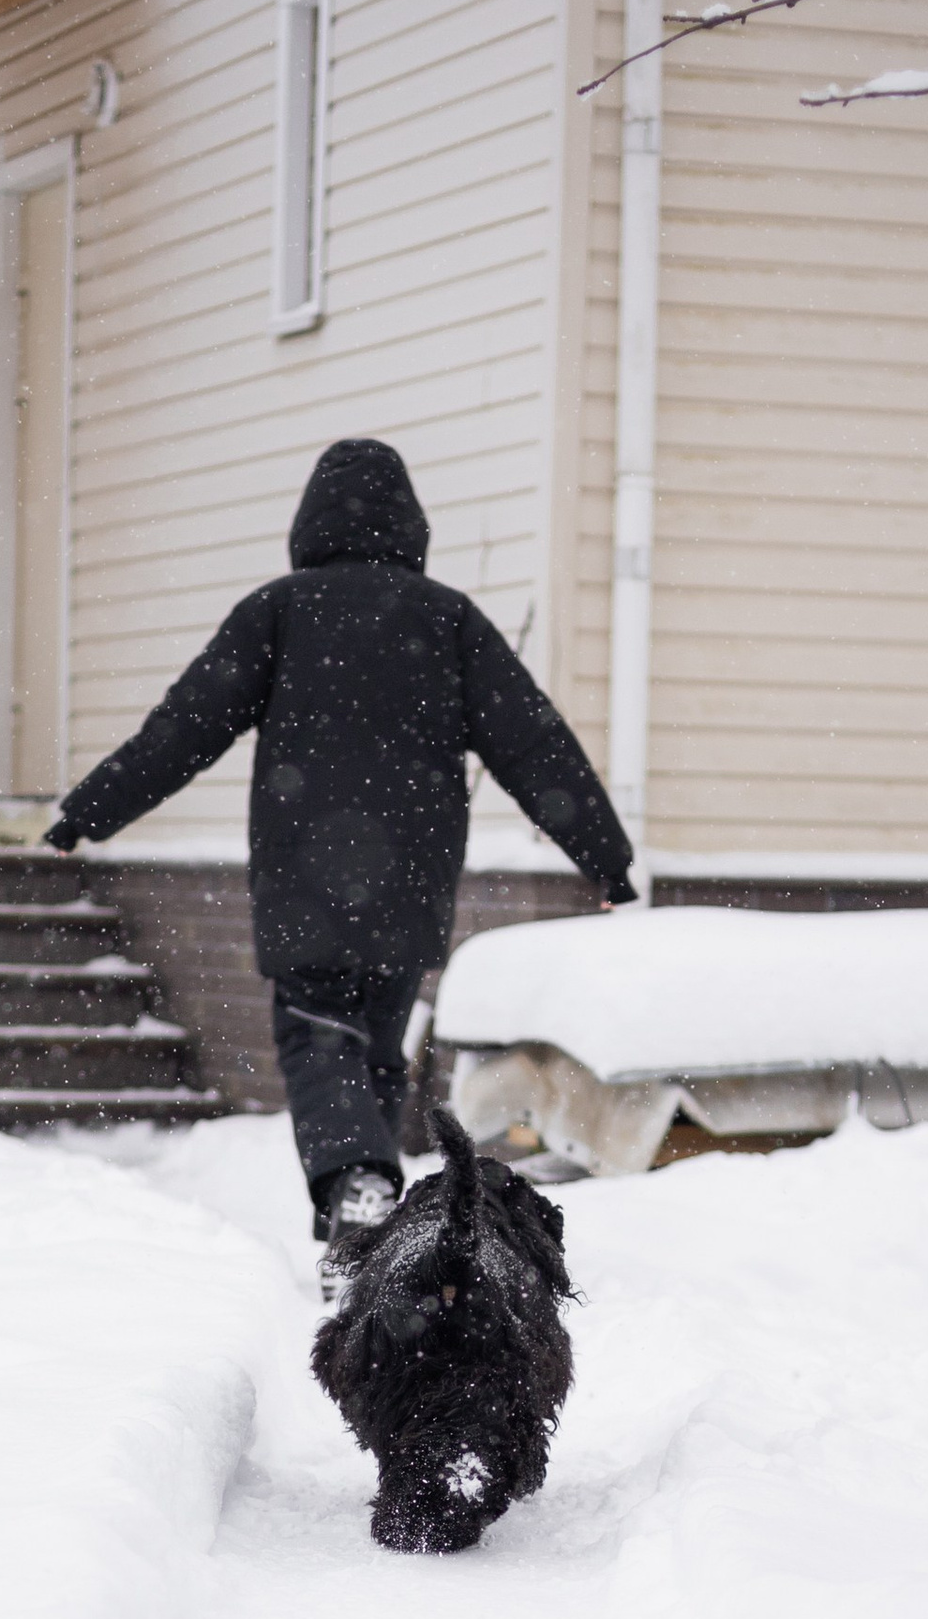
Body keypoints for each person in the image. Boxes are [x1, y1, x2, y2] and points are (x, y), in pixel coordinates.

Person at [43, 439, 636, 1242]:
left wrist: (89, 811)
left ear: (310, 521)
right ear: (410, 523)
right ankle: (360, 1231)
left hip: (306, 869)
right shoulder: (448, 619)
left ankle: (357, 1183)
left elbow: (182, 729)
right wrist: (603, 853)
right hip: (410, 872)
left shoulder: (280, 611)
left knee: (318, 1034)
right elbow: (535, 745)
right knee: (378, 1046)